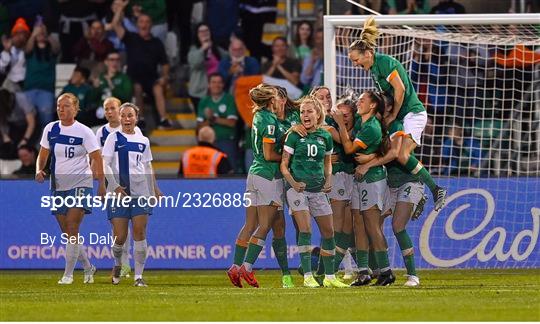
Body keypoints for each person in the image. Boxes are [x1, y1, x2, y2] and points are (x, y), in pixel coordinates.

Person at [348, 16, 447, 211]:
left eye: (355, 60)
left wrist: (392, 115)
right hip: (400, 115)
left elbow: (399, 90)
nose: (354, 65)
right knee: (394, 153)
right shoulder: (374, 68)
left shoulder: (385, 62)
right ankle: (418, 192)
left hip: (412, 113)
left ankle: (435, 189)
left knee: (400, 154)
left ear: (367, 53)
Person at [356, 93, 426, 286]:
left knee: (397, 226)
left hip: (409, 180)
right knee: (372, 226)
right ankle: (381, 270)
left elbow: (395, 154)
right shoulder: (376, 127)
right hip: (390, 183)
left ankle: (413, 275)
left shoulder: (397, 126)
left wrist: (368, 164)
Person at [35, 93, 106, 284]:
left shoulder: (84, 131)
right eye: (59, 106)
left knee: (73, 226)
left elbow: (97, 157)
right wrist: (39, 170)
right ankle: (88, 267)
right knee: (67, 231)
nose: (61, 109)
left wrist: (101, 184)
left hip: (81, 183)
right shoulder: (50, 129)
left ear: (75, 108)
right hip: (58, 185)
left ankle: (68, 274)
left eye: (66, 106)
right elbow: (43, 153)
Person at [227, 84, 292, 288]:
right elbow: (268, 154)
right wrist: (289, 156)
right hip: (268, 176)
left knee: (250, 225)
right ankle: (246, 267)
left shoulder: (258, 116)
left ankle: (234, 267)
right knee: (265, 225)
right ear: (271, 100)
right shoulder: (270, 121)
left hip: (253, 174)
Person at [280, 95, 348, 288]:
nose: (305, 115)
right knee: (306, 229)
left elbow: (327, 162)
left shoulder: (325, 136)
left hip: (319, 190)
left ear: (318, 114)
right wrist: (293, 183)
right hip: (297, 191)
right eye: (302, 112)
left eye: (309, 111)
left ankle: (329, 277)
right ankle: (308, 276)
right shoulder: (294, 135)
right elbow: (284, 165)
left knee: (329, 233)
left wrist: (328, 179)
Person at [333, 90, 395, 286]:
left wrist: (340, 125)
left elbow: (349, 149)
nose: (357, 103)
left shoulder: (372, 128)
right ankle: (363, 272)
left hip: (372, 180)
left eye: (362, 101)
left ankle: (385, 271)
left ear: (373, 105)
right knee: (359, 224)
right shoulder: (363, 123)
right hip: (359, 179)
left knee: (372, 225)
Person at [102, 102, 160, 287]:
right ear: (120, 118)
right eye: (124, 116)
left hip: (140, 192)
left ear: (136, 117)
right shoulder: (113, 138)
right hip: (118, 194)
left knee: (140, 232)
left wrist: (153, 190)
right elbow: (105, 164)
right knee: (119, 236)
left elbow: (148, 166)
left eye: (130, 115)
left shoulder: (143, 140)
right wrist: (115, 186)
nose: (127, 119)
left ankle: (139, 276)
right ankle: (118, 263)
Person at [95, 97, 141, 278]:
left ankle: (125, 264)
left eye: (112, 108)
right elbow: (98, 159)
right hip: (111, 183)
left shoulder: (134, 131)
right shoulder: (103, 133)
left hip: (132, 184)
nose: (109, 112)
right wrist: (102, 184)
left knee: (132, 224)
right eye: (106, 109)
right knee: (117, 226)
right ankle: (119, 262)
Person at [111, 0, 172, 129]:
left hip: (151, 78)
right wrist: (120, 9)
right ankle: (141, 118)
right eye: (141, 22)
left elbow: (165, 63)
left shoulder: (156, 42)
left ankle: (163, 119)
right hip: (134, 77)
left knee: (158, 88)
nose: (144, 24)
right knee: (137, 88)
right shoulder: (131, 37)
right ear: (137, 24)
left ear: (151, 25)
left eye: (147, 22)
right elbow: (115, 25)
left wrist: (165, 77)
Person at [196, 73, 239, 169]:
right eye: (213, 82)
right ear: (209, 85)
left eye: (219, 82)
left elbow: (231, 123)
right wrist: (210, 119)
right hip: (208, 143)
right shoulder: (204, 101)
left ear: (223, 85)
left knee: (230, 171)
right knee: (209, 170)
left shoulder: (229, 99)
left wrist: (213, 118)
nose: (216, 85)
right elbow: (200, 127)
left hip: (226, 141)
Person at [23, 21, 59, 129]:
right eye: (39, 33)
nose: (41, 34)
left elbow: (57, 48)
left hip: (46, 90)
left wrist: (46, 33)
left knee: (46, 121)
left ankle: (44, 144)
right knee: (27, 120)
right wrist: (34, 33)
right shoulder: (31, 50)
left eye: (42, 33)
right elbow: (27, 49)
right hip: (29, 89)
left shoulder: (51, 50)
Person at [187, 23, 227, 110]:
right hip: (200, 92)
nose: (204, 33)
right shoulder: (193, 50)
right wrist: (203, 49)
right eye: (201, 31)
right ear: (197, 35)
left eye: (206, 31)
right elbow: (195, 63)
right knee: (203, 121)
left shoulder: (217, 49)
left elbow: (228, 59)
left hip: (217, 90)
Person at [1, 18, 30, 92]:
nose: (19, 37)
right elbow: (1, 68)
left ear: (26, 36)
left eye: (22, 33)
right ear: (12, 36)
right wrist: (7, 51)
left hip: (25, 84)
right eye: (16, 34)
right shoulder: (8, 50)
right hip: (10, 84)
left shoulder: (30, 50)